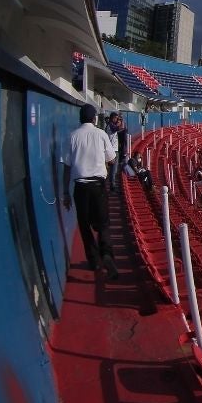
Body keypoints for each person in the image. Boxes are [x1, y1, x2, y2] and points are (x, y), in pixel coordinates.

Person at [63, 104, 119, 278]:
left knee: (84, 224)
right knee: (103, 223)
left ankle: (94, 260)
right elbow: (112, 158)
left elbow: (66, 167)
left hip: (80, 186)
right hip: (98, 185)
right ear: (94, 118)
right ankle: (107, 254)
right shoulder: (101, 134)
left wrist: (65, 192)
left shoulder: (72, 136)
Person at [105, 112, 125, 192]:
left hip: (113, 150)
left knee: (113, 170)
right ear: (112, 118)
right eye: (116, 118)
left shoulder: (111, 125)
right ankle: (112, 187)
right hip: (112, 151)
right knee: (113, 170)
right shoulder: (110, 126)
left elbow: (122, 129)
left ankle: (111, 185)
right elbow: (120, 127)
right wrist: (121, 120)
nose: (117, 120)